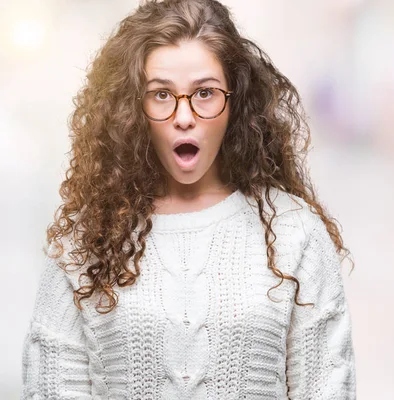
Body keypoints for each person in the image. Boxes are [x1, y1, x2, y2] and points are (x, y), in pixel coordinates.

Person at [20, 0, 357, 399]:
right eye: (162, 94)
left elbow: (327, 388)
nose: (184, 116)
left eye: (205, 93)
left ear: (235, 102)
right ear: (133, 107)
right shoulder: (85, 242)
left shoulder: (294, 233)